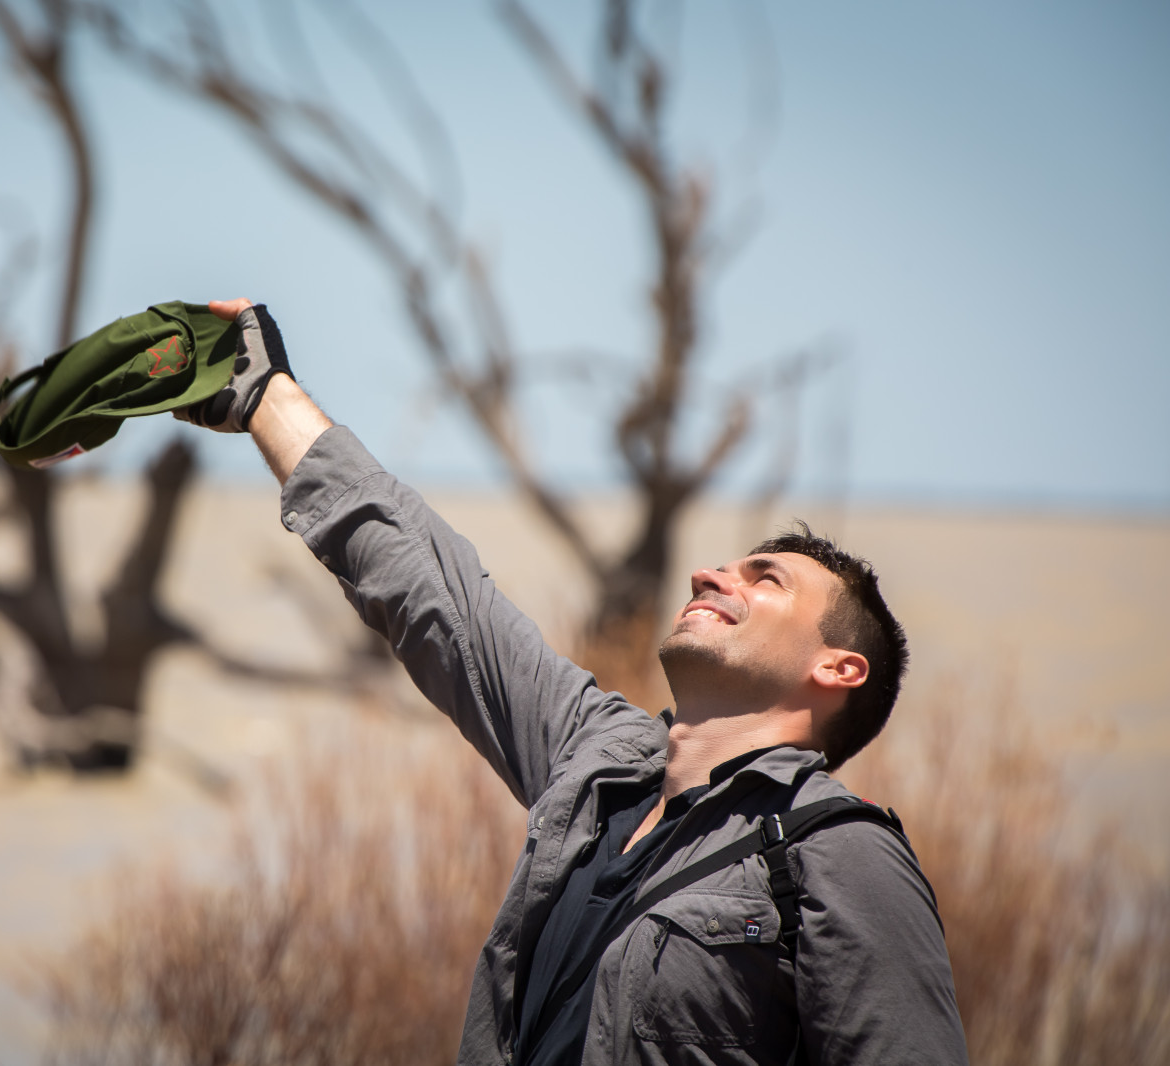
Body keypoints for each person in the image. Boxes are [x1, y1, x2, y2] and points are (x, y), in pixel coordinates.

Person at [178, 299, 970, 1066]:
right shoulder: (599, 762)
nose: (708, 573)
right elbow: (437, 595)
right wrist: (265, 397)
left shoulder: (839, 857)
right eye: (726, 563)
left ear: (837, 668)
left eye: (766, 579)